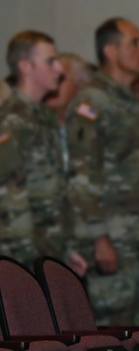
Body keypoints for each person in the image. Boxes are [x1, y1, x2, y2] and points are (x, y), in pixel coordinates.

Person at [66, 17, 139, 326]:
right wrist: (98, 238)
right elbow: (83, 174)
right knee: (114, 337)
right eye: (135, 43)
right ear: (110, 51)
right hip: (116, 240)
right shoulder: (93, 101)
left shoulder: (130, 103)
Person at [0, 31, 87, 274]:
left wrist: (68, 248)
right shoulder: (10, 122)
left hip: (51, 250)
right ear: (26, 67)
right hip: (23, 258)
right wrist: (24, 265)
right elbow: (10, 198)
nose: (59, 69)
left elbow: (58, 189)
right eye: (51, 61)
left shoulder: (44, 118)